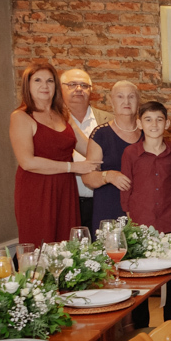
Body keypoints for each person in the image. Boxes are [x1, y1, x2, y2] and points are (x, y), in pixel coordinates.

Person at [9, 61, 99, 246]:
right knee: (40, 245)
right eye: (38, 81)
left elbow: (89, 147)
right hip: (36, 191)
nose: (44, 86)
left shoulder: (63, 114)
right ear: (28, 85)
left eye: (50, 81)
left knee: (68, 246)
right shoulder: (21, 116)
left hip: (65, 189)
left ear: (55, 86)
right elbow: (27, 162)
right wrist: (72, 167)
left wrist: (127, 149)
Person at [120, 101, 171, 326]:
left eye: (159, 119)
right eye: (148, 119)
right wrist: (132, 221)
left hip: (168, 221)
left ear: (167, 123)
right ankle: (141, 329)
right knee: (140, 279)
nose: (154, 124)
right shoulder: (130, 153)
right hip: (140, 223)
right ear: (139, 123)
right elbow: (126, 188)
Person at [80, 80, 142, 235]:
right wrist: (108, 176)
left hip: (142, 208)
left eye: (131, 97)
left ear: (138, 101)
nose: (126, 101)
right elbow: (87, 177)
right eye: (120, 97)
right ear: (112, 102)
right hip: (109, 208)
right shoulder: (101, 134)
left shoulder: (148, 132)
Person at [60, 68, 112, 232]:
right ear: (60, 88)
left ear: (91, 90)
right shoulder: (53, 122)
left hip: (100, 199)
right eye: (72, 84)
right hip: (66, 199)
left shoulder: (109, 120)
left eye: (84, 85)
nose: (78, 89)